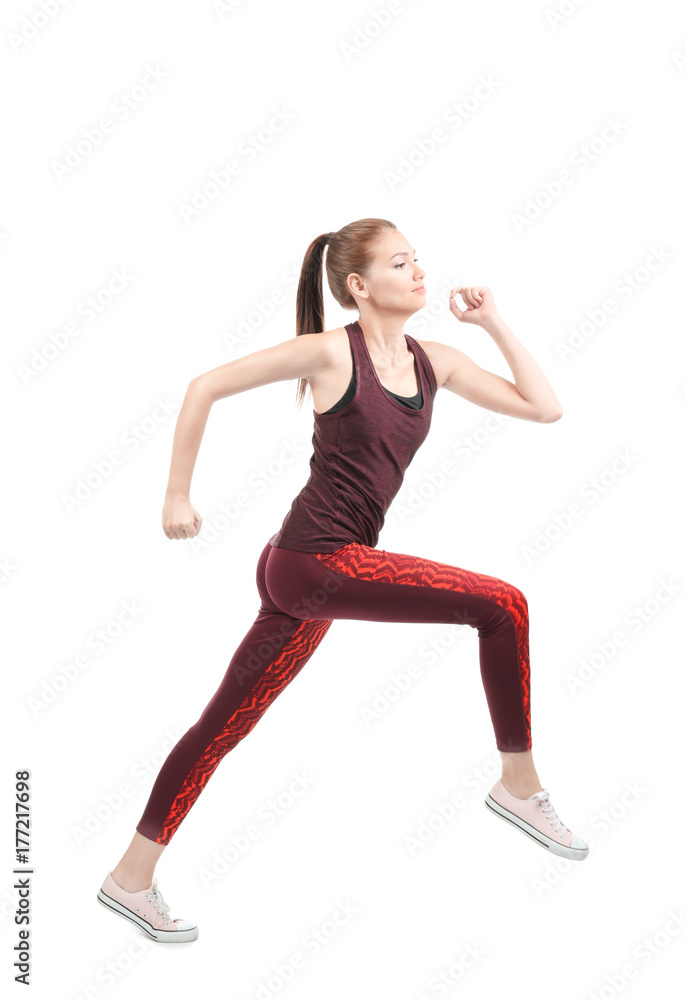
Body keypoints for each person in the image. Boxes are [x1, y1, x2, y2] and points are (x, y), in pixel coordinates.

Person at [96, 217, 588, 943]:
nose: (420, 272)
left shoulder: (436, 361)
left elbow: (545, 408)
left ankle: (129, 879)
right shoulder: (331, 353)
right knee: (502, 604)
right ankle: (519, 785)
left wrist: (492, 323)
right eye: (401, 263)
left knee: (221, 727)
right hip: (313, 562)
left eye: (418, 259)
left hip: (311, 568)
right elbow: (204, 387)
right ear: (359, 285)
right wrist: (176, 494)